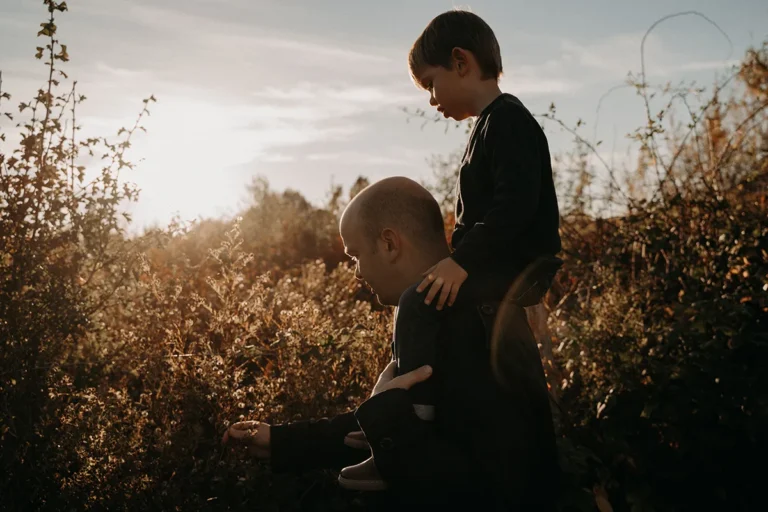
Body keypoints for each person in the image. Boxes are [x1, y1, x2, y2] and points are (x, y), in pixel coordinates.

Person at [223, 178, 559, 510]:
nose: (355, 272)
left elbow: (479, 488)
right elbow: (402, 429)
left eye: (355, 255)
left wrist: (386, 413)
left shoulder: (466, 327)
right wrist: (279, 442)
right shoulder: (439, 318)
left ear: (389, 244)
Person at [339, 8, 564, 488]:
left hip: (510, 263)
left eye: (430, 83)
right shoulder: (489, 125)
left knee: (416, 302)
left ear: (461, 62)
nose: (432, 100)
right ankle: (392, 414)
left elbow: (516, 205)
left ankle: (409, 427)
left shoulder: (510, 122)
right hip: (496, 262)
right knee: (425, 311)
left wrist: (461, 261)